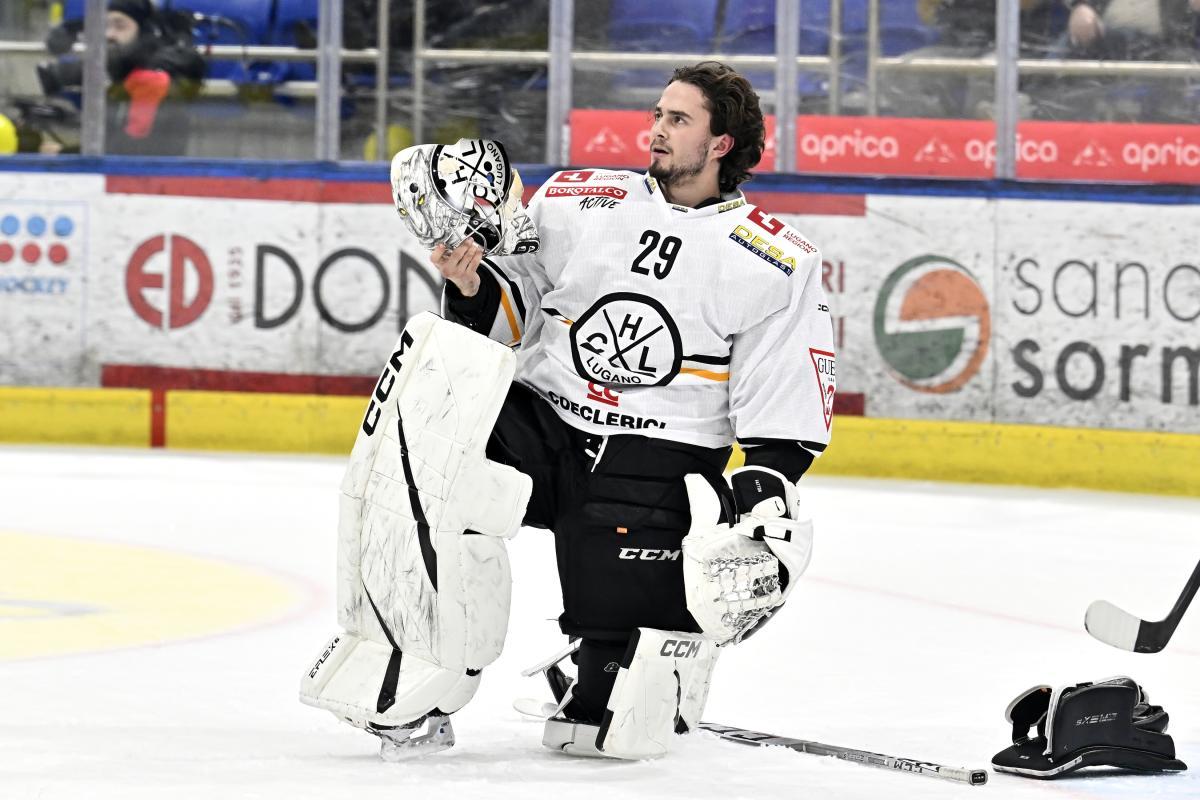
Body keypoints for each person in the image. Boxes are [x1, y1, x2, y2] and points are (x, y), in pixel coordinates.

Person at [425, 61, 836, 755]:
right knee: (425, 444)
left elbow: (786, 392)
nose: (656, 131)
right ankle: (415, 664)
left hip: (658, 461)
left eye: (679, 120)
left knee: (605, 731)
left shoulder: (776, 259)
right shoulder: (575, 199)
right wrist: (471, 287)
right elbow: (512, 310)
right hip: (540, 425)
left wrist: (763, 491)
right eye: (657, 114)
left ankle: (612, 670)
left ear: (721, 144)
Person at [37, 0, 203, 155]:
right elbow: (112, 145)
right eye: (106, 26)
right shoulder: (121, 74)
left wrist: (64, 155)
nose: (109, 34)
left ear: (142, 32)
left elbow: (129, 153)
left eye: (120, 26)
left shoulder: (149, 79)